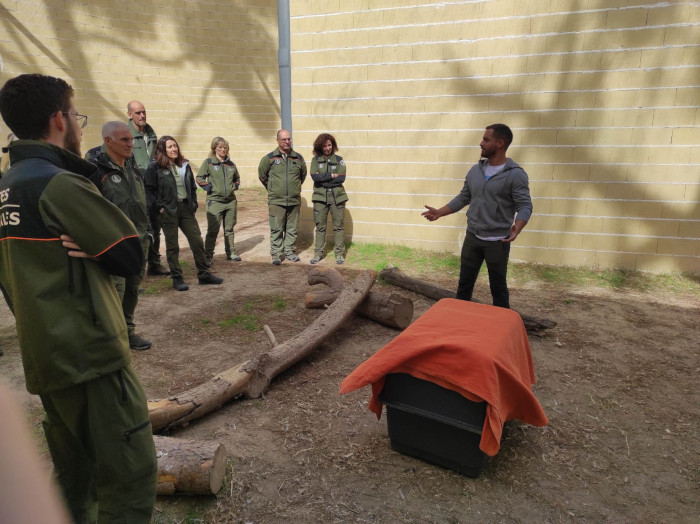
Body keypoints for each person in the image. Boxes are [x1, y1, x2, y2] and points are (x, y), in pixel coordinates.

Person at [0, 73, 157, 522]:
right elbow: (129, 254)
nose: (79, 126)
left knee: (75, 474)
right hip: (92, 357)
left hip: (45, 355)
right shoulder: (59, 185)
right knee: (128, 473)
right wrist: (96, 244)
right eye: (75, 116)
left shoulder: (5, 186)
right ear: (56, 120)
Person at [422, 124, 532, 309]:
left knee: (498, 288)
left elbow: (525, 205)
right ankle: (461, 324)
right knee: (464, 285)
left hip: (498, 241)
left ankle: (501, 328)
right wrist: (440, 212)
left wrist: (518, 226)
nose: (481, 143)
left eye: (486, 140)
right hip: (472, 237)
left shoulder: (515, 175)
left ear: (500, 143)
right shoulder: (476, 170)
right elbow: (464, 197)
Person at [88, 121, 152, 350]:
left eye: (132, 139)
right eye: (124, 139)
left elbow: (140, 201)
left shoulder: (132, 165)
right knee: (115, 291)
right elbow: (88, 208)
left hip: (138, 240)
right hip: (112, 243)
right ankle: (111, 339)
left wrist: (148, 231)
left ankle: (128, 332)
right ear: (108, 141)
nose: (131, 144)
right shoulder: (95, 168)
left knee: (133, 289)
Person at [144, 135, 223, 291]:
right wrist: (159, 207)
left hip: (185, 209)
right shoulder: (155, 167)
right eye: (170, 147)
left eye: (175, 146)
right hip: (167, 211)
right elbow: (148, 190)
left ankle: (204, 274)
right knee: (173, 246)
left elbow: (192, 187)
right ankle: (177, 277)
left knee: (197, 241)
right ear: (162, 150)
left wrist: (193, 203)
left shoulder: (184, 165)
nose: (174, 149)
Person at [127, 100, 168, 276]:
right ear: (130, 114)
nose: (142, 115)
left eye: (143, 112)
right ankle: (136, 269)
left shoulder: (151, 133)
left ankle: (154, 264)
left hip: (151, 188)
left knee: (155, 227)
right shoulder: (124, 133)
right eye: (138, 113)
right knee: (137, 229)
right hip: (133, 188)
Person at [258, 129, 307, 265]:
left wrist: (294, 188)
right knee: (277, 227)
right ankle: (277, 254)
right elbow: (262, 176)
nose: (287, 142)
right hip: (276, 200)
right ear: (277, 140)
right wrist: (273, 188)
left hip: (293, 200)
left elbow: (302, 176)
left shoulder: (298, 158)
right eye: (284, 139)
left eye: (289, 139)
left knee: (292, 228)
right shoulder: (269, 158)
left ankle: (290, 252)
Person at [196, 137, 242, 264]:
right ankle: (208, 256)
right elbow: (199, 178)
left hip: (230, 201)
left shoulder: (231, 164)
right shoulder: (209, 163)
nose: (223, 150)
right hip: (215, 202)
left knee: (229, 229)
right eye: (220, 147)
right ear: (214, 148)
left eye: (225, 147)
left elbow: (237, 178)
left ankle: (231, 252)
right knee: (213, 230)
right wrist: (208, 187)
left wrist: (234, 186)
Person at [309, 133, 348, 265]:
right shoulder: (315, 160)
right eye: (325, 146)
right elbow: (315, 178)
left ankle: (339, 254)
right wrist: (332, 175)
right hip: (320, 198)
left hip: (337, 197)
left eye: (329, 145)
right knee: (320, 227)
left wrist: (324, 180)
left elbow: (341, 178)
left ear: (333, 145)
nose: (327, 148)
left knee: (338, 226)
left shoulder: (339, 159)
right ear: (320, 147)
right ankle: (318, 253)